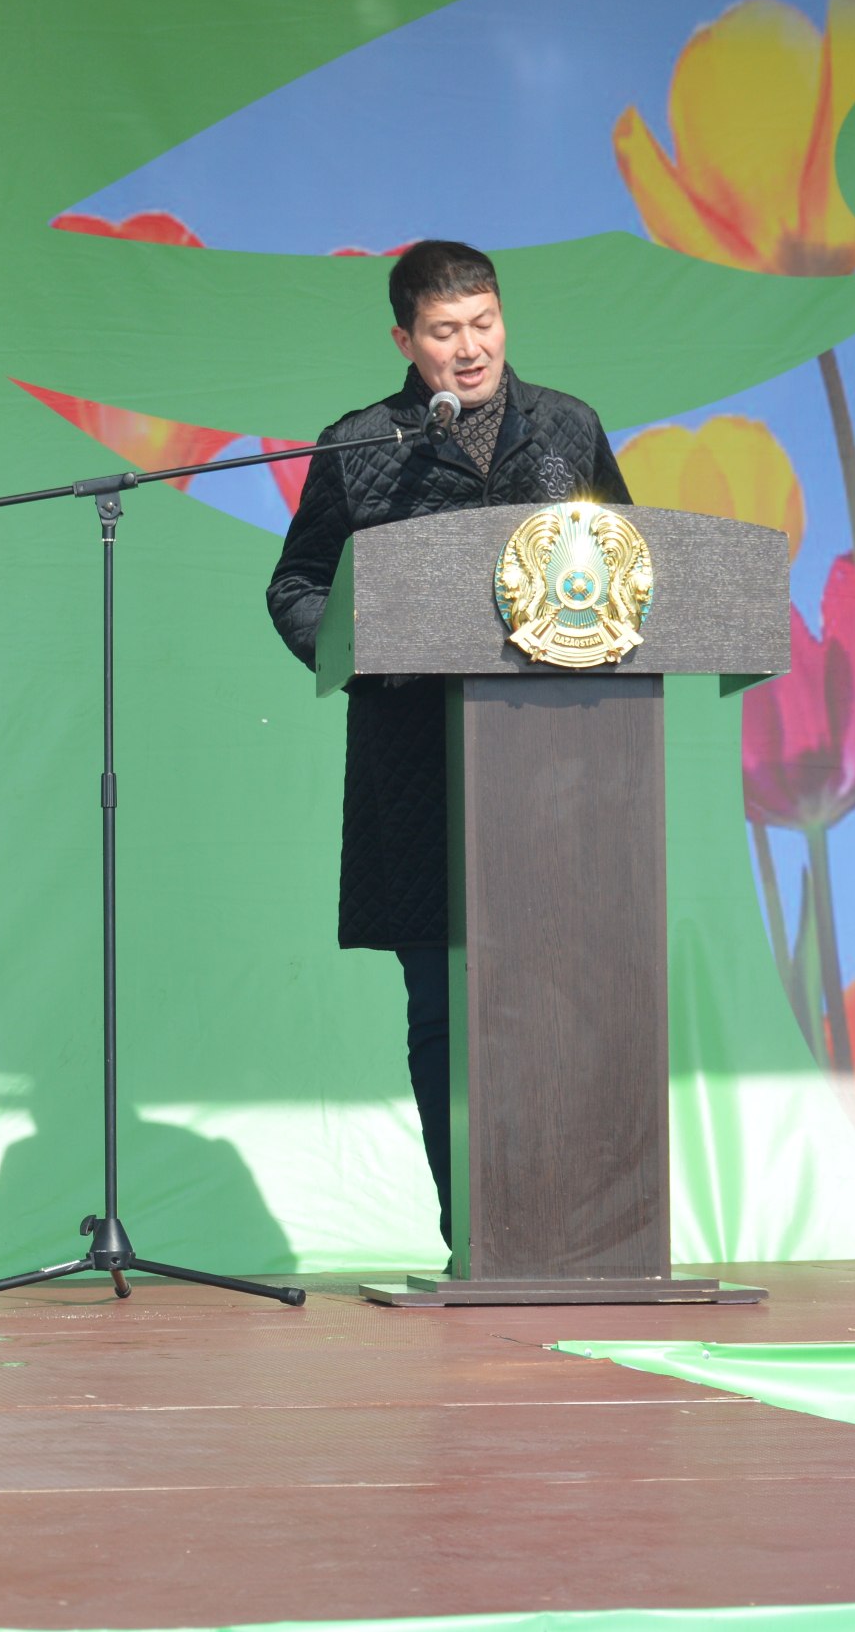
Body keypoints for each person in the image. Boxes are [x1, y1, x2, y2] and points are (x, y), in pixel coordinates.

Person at [264, 241, 633, 1259]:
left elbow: (629, 566)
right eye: (443, 332)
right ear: (404, 340)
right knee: (445, 1009)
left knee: (570, 1003)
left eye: (483, 323)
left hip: (561, 767)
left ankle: (580, 1232)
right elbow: (297, 585)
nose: (469, 349)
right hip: (418, 767)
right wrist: (361, 649)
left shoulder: (566, 427)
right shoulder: (359, 445)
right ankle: (475, 1234)